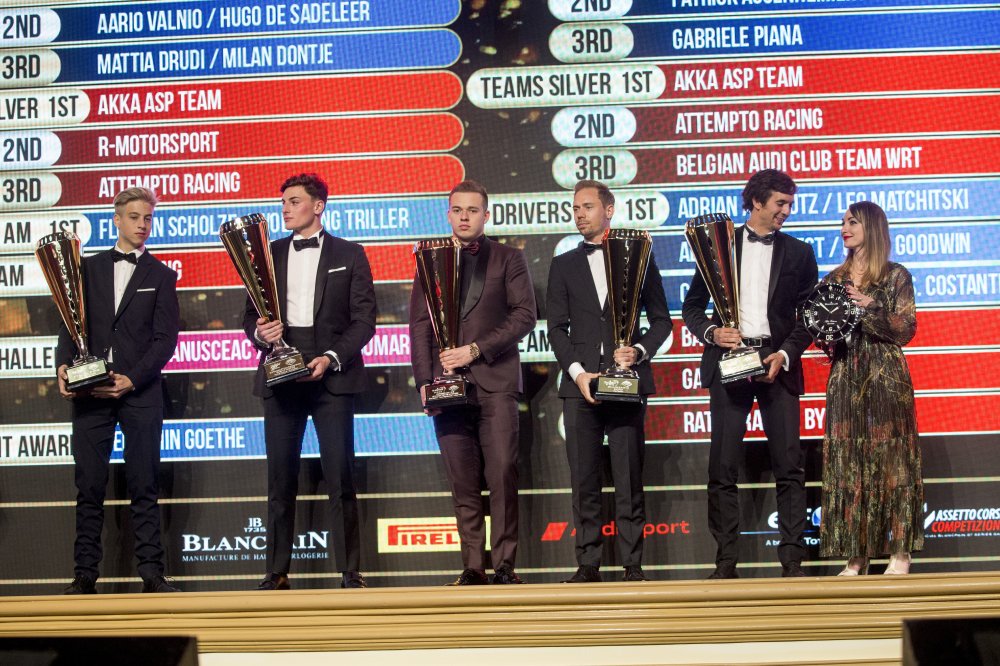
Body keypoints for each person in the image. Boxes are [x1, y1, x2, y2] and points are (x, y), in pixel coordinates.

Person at [682, 169, 819, 579]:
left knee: (789, 465)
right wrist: (712, 332)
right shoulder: (719, 246)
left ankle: (792, 562)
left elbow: (809, 317)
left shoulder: (800, 252)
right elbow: (691, 307)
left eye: (790, 204)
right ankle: (726, 562)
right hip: (729, 362)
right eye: (781, 203)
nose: (787, 211)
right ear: (757, 202)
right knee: (722, 467)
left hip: (777, 363)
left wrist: (785, 354)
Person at [245, 173, 376, 590]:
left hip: (332, 377)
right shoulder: (267, 255)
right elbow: (248, 318)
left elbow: (364, 320)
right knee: (279, 479)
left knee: (341, 478)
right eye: (283, 201)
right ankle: (276, 571)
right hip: (280, 377)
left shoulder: (350, 254)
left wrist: (332, 357)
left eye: (294, 201)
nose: (285, 208)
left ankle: (350, 571)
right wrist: (259, 334)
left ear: (318, 206)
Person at [409, 180, 537, 585]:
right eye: (457, 210)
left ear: (486, 215)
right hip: (444, 385)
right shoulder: (428, 258)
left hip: (495, 381)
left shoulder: (508, 258)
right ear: (448, 214)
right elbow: (419, 326)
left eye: (472, 210)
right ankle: (472, 566)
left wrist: (476, 350)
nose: (464, 217)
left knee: (502, 473)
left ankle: (505, 565)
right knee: (462, 481)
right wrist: (424, 383)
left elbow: (524, 316)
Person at [547, 180, 672, 583]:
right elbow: (556, 329)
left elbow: (662, 321)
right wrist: (579, 373)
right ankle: (588, 564)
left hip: (627, 385)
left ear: (609, 210)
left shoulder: (640, 257)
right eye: (575, 208)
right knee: (584, 480)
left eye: (587, 206)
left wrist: (639, 351)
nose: (579, 214)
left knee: (628, 477)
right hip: (580, 387)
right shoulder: (563, 264)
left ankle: (632, 564)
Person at [57, 187, 180, 594]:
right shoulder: (86, 269)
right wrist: (62, 366)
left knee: (144, 484)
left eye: (148, 218)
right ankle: (84, 575)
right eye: (134, 217)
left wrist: (132, 379)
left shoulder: (162, 276)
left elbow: (165, 341)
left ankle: (152, 573)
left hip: (140, 394)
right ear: (116, 219)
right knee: (89, 486)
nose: (142, 225)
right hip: (90, 392)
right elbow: (69, 325)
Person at [819, 201, 923, 575]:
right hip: (846, 376)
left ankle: (900, 553)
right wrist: (823, 331)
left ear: (872, 228)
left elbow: (906, 329)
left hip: (886, 378)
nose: (844, 228)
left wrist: (870, 307)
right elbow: (823, 333)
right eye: (843, 222)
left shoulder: (895, 276)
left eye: (852, 222)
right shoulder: (832, 279)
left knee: (894, 464)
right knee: (849, 465)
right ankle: (856, 556)